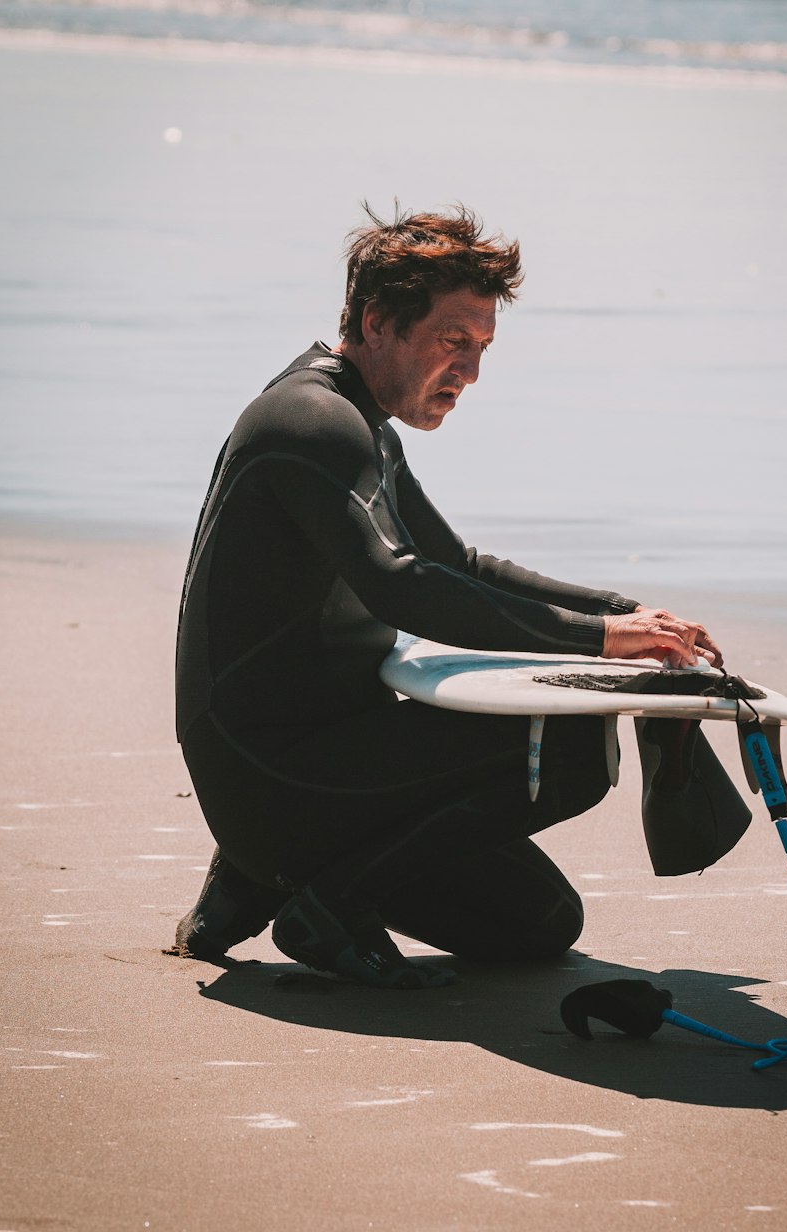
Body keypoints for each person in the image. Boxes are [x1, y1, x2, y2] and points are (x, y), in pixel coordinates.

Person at [171, 204, 723, 989]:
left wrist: (622, 615)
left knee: (539, 923)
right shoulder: (309, 419)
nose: (469, 373)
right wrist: (601, 644)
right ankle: (324, 905)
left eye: (482, 348)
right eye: (452, 342)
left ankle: (260, 881)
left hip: (307, 768)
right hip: (274, 777)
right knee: (566, 746)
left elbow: (456, 562)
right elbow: (404, 586)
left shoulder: (361, 425)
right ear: (376, 322)